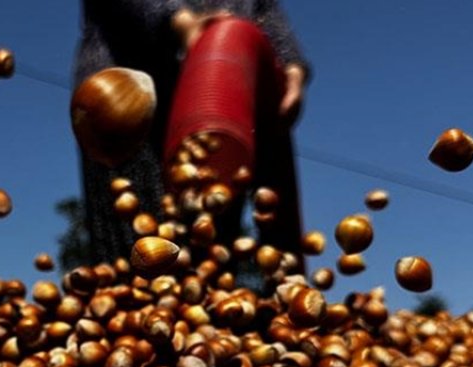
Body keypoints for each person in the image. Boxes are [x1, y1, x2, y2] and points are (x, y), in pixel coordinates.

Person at [74, 0, 311, 265]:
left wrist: (291, 64)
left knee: (211, 255)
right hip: (133, 102)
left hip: (227, 107)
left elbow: (265, 10)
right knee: (137, 258)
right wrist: (180, 21)